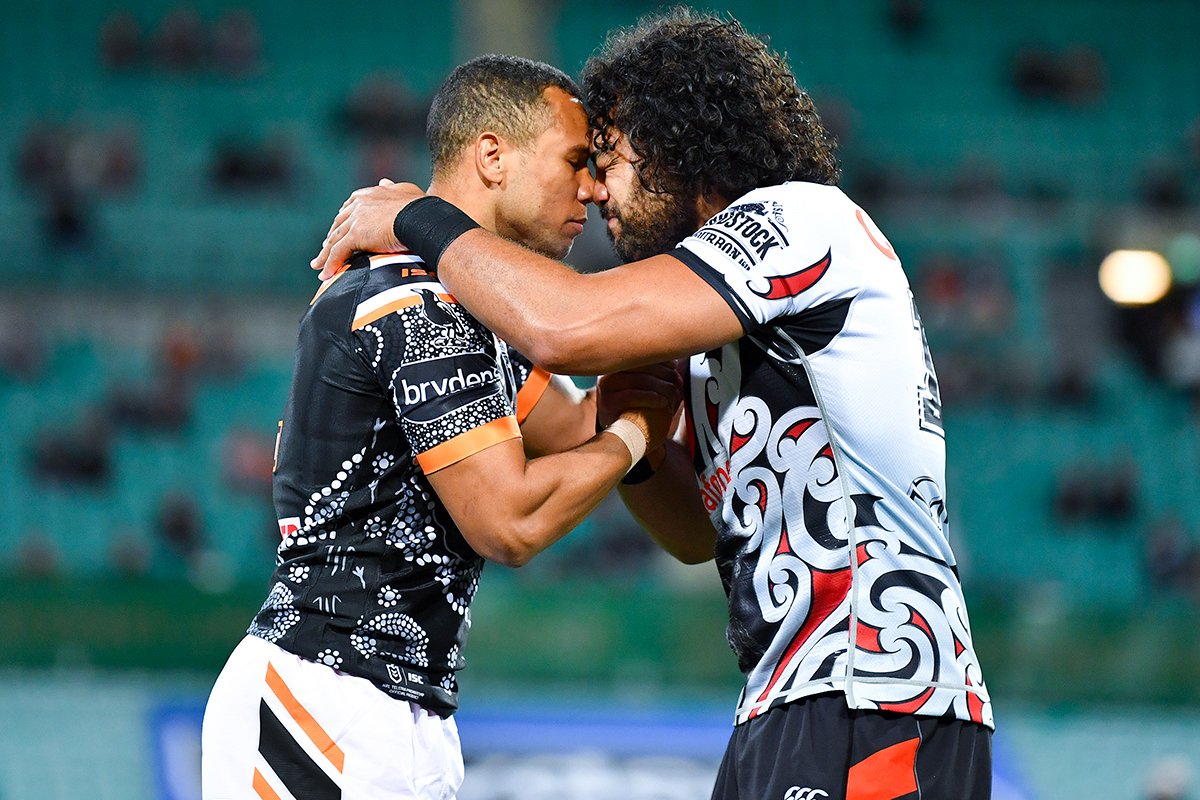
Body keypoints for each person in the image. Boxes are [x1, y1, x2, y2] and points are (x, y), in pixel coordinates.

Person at [311, 10, 994, 800]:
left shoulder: (803, 219)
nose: (596, 188)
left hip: (877, 685)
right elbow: (700, 534)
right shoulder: (718, 320)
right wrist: (635, 439)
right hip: (788, 697)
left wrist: (417, 219)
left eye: (610, 157)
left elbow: (560, 327)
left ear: (679, 145)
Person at [202, 55, 678, 800]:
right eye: (575, 160)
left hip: (389, 708)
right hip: (327, 701)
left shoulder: (464, 312)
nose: (589, 186)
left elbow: (579, 423)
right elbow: (510, 519)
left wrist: (667, 344)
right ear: (493, 155)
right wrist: (638, 436)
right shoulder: (417, 306)